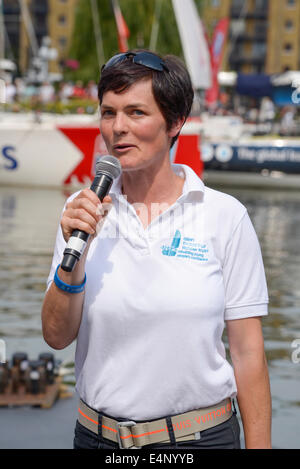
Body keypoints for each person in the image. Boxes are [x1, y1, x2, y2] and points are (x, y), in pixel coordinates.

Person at [41, 50, 272, 450]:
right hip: (99, 440)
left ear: (176, 122)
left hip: (199, 441)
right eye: (108, 113)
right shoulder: (80, 212)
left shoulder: (224, 216)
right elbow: (56, 336)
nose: (118, 128)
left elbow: (248, 354)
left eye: (136, 112)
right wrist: (72, 269)